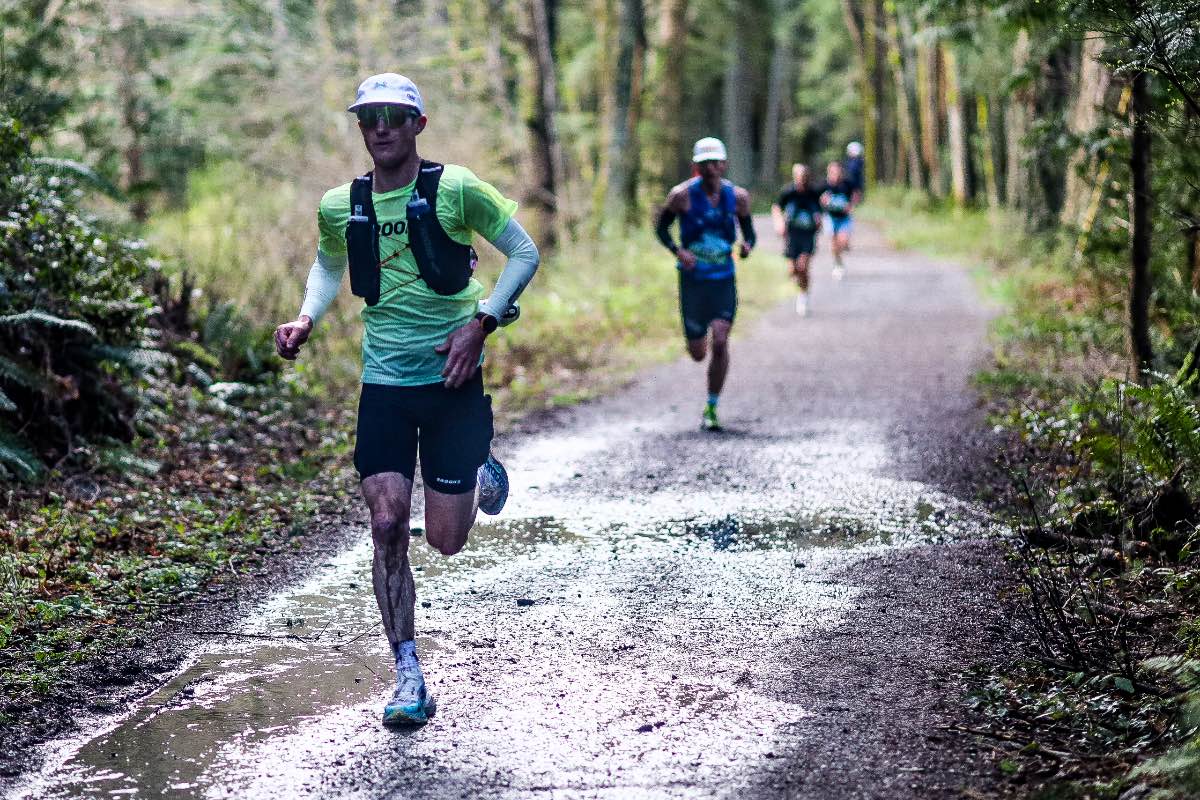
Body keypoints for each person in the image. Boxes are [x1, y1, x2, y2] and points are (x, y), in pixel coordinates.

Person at [273, 73, 539, 726]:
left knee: (446, 541)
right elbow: (330, 264)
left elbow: (523, 254)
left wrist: (481, 325)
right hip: (384, 387)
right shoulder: (342, 204)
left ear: (419, 124)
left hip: (451, 385)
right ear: (361, 128)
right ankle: (408, 675)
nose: (381, 126)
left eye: (394, 115)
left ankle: (477, 475)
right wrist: (307, 317)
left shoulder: (457, 190)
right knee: (388, 521)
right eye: (369, 117)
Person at [654, 136, 756, 431]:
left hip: (723, 279)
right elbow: (661, 228)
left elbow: (749, 233)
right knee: (698, 353)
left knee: (721, 340)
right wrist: (677, 251)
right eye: (705, 164)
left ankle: (711, 407)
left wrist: (747, 246)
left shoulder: (738, 197)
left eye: (716, 162)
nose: (711, 169)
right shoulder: (681, 196)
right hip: (693, 282)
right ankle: (699, 346)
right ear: (696, 167)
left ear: (724, 165)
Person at [771, 163, 823, 316]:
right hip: (792, 235)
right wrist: (779, 223)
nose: (802, 180)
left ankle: (803, 296)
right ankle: (801, 285)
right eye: (799, 177)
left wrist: (818, 220)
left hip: (808, 235)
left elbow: (820, 211)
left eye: (804, 177)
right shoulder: (788, 192)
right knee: (793, 270)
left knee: (803, 267)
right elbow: (776, 208)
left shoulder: (814, 193)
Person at [820, 160, 856, 280]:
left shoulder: (847, 184)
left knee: (843, 241)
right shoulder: (824, 185)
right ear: (829, 173)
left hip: (844, 218)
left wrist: (851, 205)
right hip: (830, 217)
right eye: (833, 172)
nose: (836, 175)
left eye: (838, 172)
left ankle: (844, 247)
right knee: (833, 245)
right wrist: (822, 201)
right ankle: (838, 264)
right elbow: (815, 200)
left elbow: (855, 195)